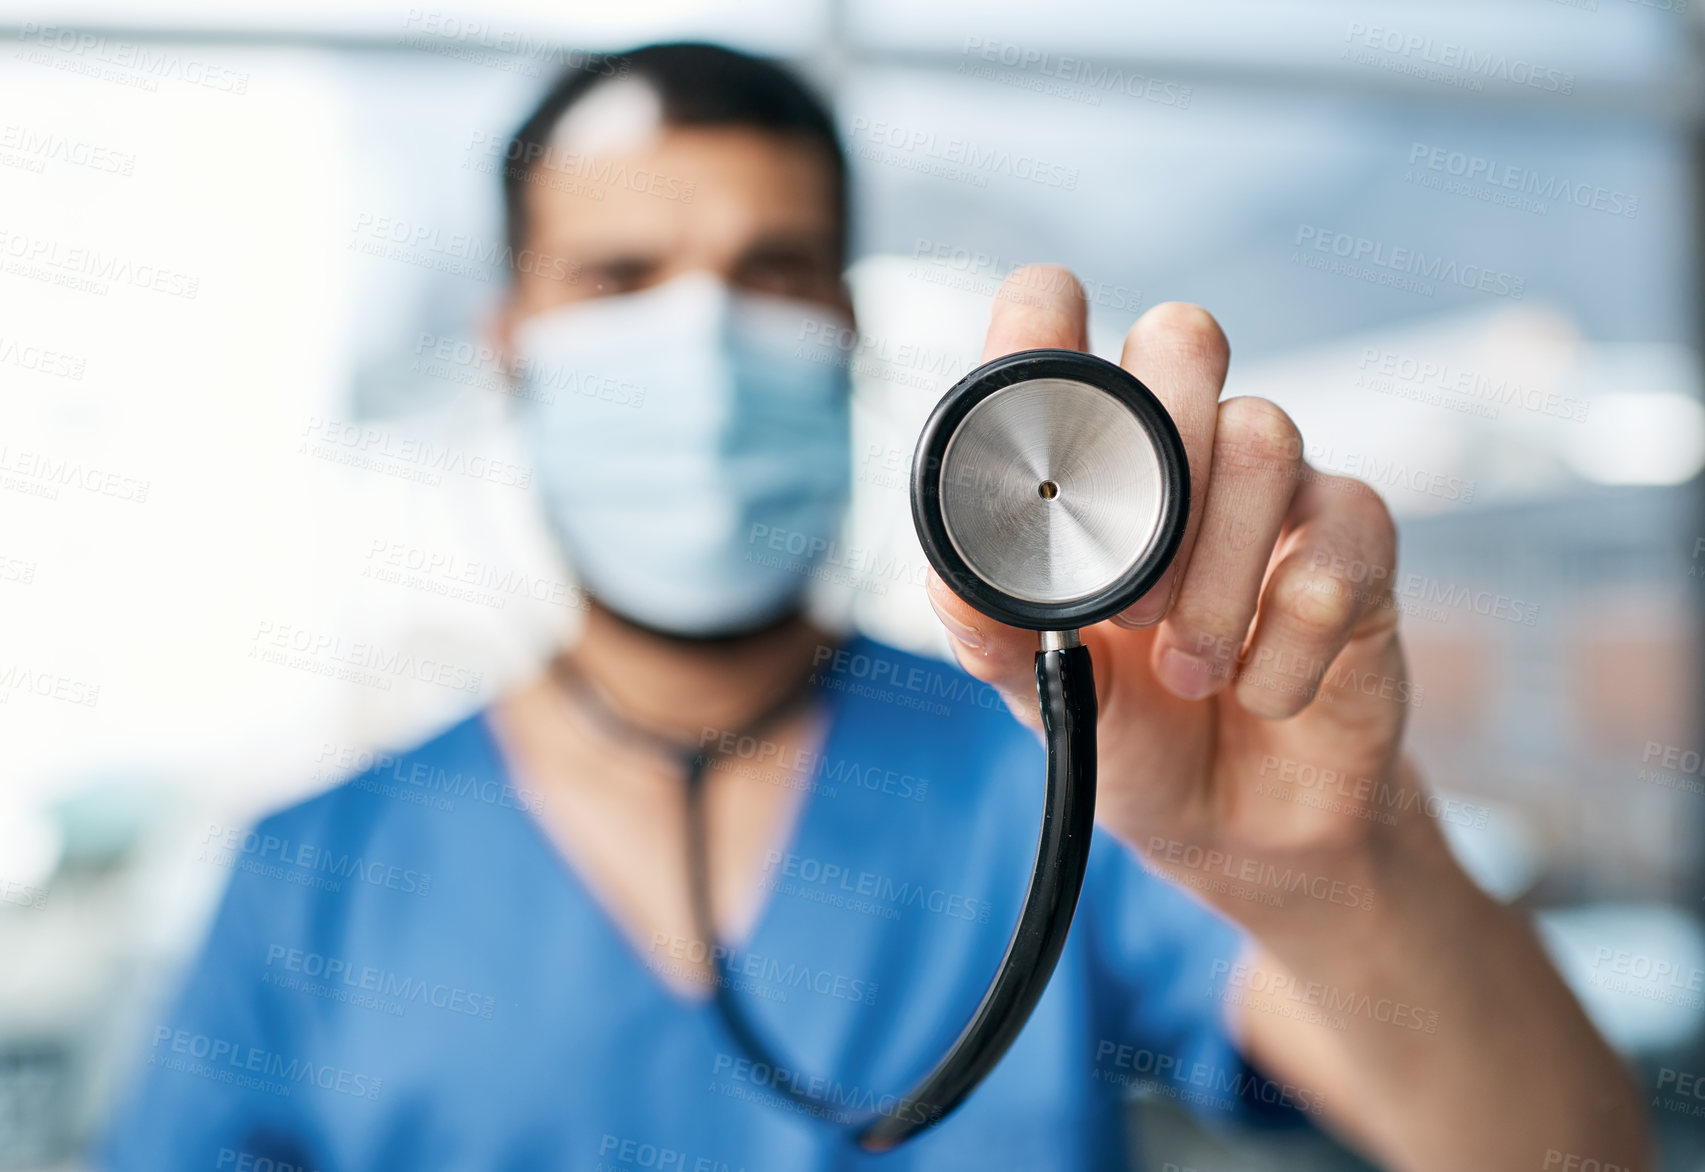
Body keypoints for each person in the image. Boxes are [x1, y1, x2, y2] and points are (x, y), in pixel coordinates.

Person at [100, 42, 1648, 1172]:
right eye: (618, 278)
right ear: (507, 343)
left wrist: (1331, 873)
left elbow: (1559, 1149)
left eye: (769, 273)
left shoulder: (1077, 785)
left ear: (844, 330)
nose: (697, 338)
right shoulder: (307, 885)